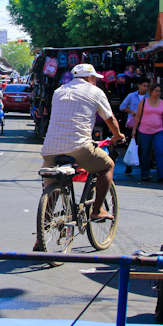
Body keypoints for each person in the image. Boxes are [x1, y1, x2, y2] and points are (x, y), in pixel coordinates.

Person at [39, 64, 126, 234]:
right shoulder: (95, 92)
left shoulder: (59, 91)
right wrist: (118, 136)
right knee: (107, 165)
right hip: (79, 146)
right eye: (94, 79)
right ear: (90, 78)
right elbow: (110, 119)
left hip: (50, 148)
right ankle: (97, 210)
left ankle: (41, 235)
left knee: (52, 188)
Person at [131, 83, 163, 182]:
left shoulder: (162, 103)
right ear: (151, 91)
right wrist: (134, 130)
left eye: (159, 91)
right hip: (144, 130)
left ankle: (161, 175)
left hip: (158, 130)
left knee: (159, 152)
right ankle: (145, 174)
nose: (158, 93)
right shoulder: (144, 102)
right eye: (156, 90)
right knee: (145, 153)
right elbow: (138, 116)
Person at [119, 78, 149, 174]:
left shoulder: (149, 97)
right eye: (144, 86)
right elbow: (122, 106)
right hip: (132, 124)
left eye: (147, 86)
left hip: (145, 123)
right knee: (131, 145)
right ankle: (129, 165)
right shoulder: (131, 96)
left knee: (143, 146)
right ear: (139, 85)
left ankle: (143, 167)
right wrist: (131, 112)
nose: (146, 88)